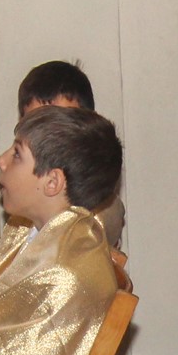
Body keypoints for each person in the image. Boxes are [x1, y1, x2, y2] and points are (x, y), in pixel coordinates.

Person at [0, 107, 124, 355]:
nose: (1, 160)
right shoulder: (39, 232)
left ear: (52, 182)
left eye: (17, 154)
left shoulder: (65, 270)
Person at [16, 60, 125, 249]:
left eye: (63, 126)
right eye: (37, 127)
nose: (50, 139)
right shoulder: (20, 209)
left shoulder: (101, 212)